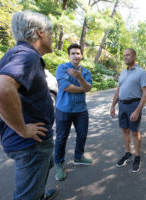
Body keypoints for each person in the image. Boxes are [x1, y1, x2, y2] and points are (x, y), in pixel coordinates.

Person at [0, 11, 58, 199]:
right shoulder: (28, 56)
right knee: (27, 195)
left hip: (32, 143)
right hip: (30, 144)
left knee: (42, 170)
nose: (52, 38)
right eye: (51, 33)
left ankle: (40, 194)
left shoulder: (14, 53)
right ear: (40, 32)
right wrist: (23, 129)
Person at [54, 43, 93, 181]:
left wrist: (80, 78)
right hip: (64, 109)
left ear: (81, 55)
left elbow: (88, 86)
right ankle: (59, 164)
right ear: (69, 55)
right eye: (73, 53)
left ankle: (78, 157)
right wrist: (84, 87)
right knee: (61, 138)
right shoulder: (62, 68)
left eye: (78, 53)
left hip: (81, 110)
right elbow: (66, 87)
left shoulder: (86, 72)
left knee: (82, 135)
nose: (76, 56)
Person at [110, 48, 146, 173]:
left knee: (134, 132)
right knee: (124, 131)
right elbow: (118, 90)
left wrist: (137, 110)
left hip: (134, 105)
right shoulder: (122, 73)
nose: (125, 57)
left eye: (128, 55)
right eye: (124, 55)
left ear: (134, 56)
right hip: (122, 105)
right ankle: (128, 153)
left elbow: (145, 93)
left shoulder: (141, 72)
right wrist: (112, 106)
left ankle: (137, 156)